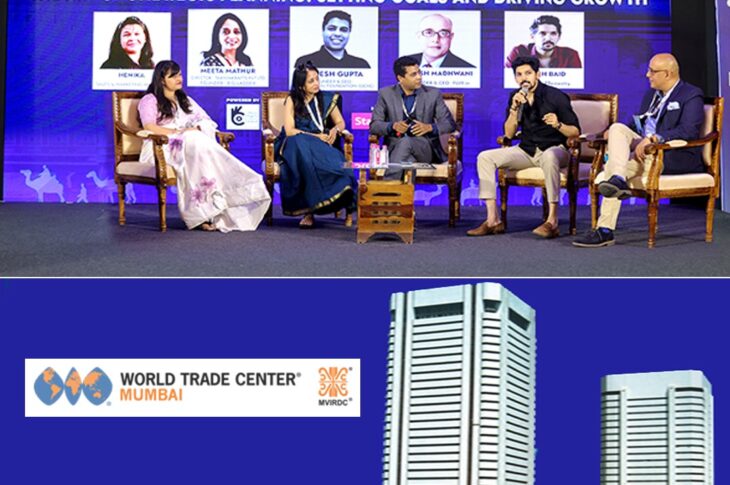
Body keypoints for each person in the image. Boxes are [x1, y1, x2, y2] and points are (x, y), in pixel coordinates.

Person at [573, 53, 706, 247]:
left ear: (667, 74)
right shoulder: (651, 95)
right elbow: (638, 124)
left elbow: (689, 130)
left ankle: (605, 230)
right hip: (643, 153)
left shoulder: (691, 94)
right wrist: (610, 133)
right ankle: (618, 179)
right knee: (617, 128)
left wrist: (655, 139)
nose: (647, 75)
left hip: (671, 154)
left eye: (652, 71)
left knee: (607, 175)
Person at [137, 61, 270, 232]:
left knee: (198, 144)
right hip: (160, 145)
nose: (179, 78)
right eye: (173, 76)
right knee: (195, 139)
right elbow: (149, 127)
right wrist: (180, 132)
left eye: (180, 75)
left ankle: (213, 209)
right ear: (162, 79)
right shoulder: (150, 100)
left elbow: (205, 121)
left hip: (190, 144)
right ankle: (201, 213)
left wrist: (197, 129)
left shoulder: (184, 100)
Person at [467, 56, 580, 239]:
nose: (524, 78)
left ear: (538, 74)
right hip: (527, 150)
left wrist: (558, 124)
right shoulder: (515, 97)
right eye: (519, 75)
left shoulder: (556, 96)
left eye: (528, 73)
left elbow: (575, 131)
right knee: (485, 157)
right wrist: (514, 109)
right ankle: (492, 220)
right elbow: (509, 134)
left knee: (549, 156)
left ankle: (552, 221)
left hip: (555, 149)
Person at [274, 62, 357, 228]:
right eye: (311, 81)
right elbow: (290, 131)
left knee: (335, 164)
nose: (316, 83)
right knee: (303, 154)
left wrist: (335, 130)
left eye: (317, 79)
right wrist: (316, 136)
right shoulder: (292, 100)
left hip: (322, 143)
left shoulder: (327, 98)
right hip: (296, 143)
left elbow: (340, 122)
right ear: (301, 85)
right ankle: (309, 212)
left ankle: (346, 198)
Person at [369, 56, 457, 180]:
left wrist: (429, 127)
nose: (419, 77)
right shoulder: (386, 94)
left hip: (425, 148)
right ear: (400, 78)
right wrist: (392, 126)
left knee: (407, 142)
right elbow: (374, 126)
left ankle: (387, 187)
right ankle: (399, 192)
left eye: (419, 72)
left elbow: (449, 124)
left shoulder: (432, 94)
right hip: (395, 149)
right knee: (408, 162)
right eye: (413, 74)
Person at [293, 10, 370, 69]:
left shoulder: (362, 65)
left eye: (343, 30)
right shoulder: (304, 63)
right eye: (332, 29)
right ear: (323, 30)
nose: (337, 34)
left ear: (349, 33)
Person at [506, 15, 581, 69]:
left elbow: (577, 84)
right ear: (532, 36)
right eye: (542, 33)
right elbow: (507, 82)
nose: (548, 38)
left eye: (553, 33)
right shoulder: (518, 53)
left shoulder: (570, 55)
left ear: (559, 37)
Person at [406, 13, 474, 68]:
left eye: (443, 33)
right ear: (419, 36)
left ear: (451, 37)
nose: (435, 39)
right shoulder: (404, 64)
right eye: (429, 32)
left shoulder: (468, 69)